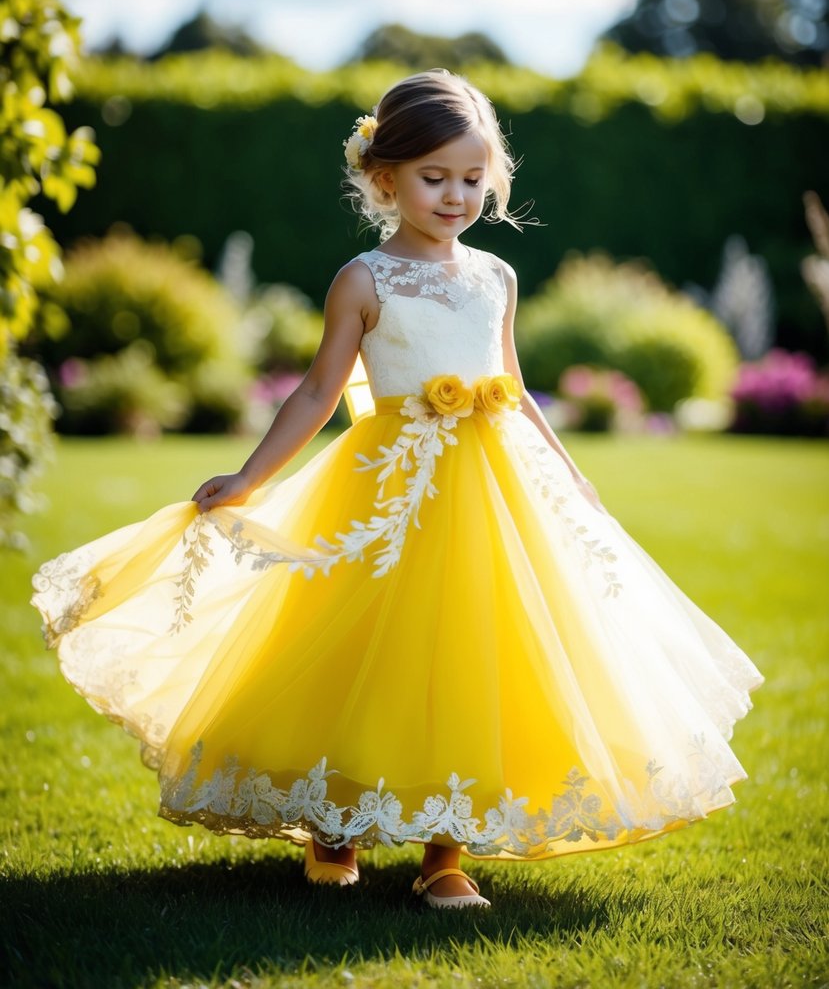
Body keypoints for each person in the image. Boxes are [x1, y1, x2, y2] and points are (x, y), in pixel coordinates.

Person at [32, 69, 764, 910]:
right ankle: (332, 822)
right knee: (353, 642)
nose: (455, 196)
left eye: (470, 179)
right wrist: (250, 476)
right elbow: (316, 393)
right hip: (389, 489)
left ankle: (443, 851)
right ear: (384, 178)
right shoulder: (365, 279)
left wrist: (567, 473)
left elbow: (515, 385)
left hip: (495, 490)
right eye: (433, 177)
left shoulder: (495, 277)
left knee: (476, 648)